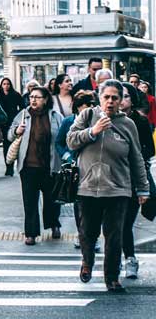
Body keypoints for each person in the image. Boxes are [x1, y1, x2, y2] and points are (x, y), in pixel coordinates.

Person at [67, 79, 150, 292]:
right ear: (99, 98)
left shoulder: (128, 124)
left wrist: (143, 188)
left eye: (115, 98)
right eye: (107, 97)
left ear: (121, 101)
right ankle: (87, 262)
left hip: (118, 188)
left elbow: (136, 158)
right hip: (88, 186)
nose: (111, 102)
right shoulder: (87, 116)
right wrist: (93, 131)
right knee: (88, 231)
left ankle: (112, 278)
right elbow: (71, 140)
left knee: (114, 235)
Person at [8, 86, 63, 246]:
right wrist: (17, 131)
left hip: (50, 166)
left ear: (45, 99)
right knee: (30, 202)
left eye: (37, 97)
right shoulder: (23, 115)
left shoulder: (55, 116)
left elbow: (62, 137)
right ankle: (31, 233)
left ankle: (54, 224)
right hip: (28, 166)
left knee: (52, 200)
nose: (33, 100)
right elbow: (9, 134)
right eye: (31, 97)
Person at [54, 90, 98, 251]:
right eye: (84, 107)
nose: (87, 111)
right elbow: (59, 142)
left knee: (95, 204)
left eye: (91, 106)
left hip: (94, 168)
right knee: (80, 204)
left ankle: (92, 235)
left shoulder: (97, 122)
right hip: (76, 170)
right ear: (78, 108)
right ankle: (82, 235)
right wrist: (67, 157)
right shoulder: (68, 122)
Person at [119, 83, 154, 279]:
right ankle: (115, 258)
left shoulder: (139, 122)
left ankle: (130, 258)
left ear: (132, 100)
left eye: (125, 96)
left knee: (125, 223)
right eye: (118, 96)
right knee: (113, 224)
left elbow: (150, 149)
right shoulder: (106, 120)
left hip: (132, 178)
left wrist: (134, 154)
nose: (121, 100)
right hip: (111, 179)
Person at [0, 77, 24, 176]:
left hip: (13, 121)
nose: (6, 86)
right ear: (1, 85)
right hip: (3, 123)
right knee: (6, 146)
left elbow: (22, 107)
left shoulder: (15, 95)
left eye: (8, 84)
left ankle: (14, 165)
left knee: (14, 144)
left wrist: (18, 116)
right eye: (4, 84)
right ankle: (8, 166)